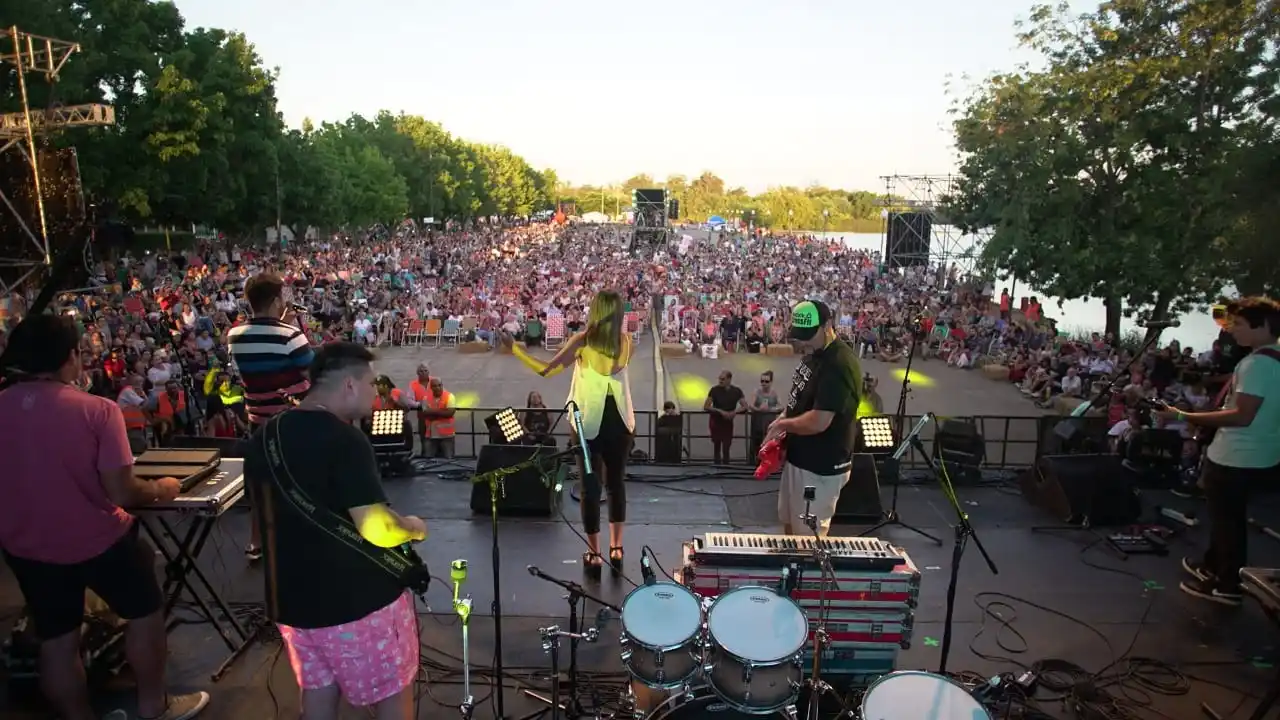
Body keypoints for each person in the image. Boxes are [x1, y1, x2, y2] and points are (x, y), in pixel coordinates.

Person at [0, 314, 210, 720]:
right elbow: (122, 492)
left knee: (57, 641)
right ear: (70, 357)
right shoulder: (97, 410)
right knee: (144, 615)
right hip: (99, 540)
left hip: (26, 547)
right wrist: (162, 487)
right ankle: (155, 707)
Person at [243, 342, 427, 720]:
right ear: (349, 385)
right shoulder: (346, 440)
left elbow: (260, 515)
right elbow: (376, 528)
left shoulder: (265, 436)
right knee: (392, 694)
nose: (375, 392)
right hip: (354, 604)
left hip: (292, 603)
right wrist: (413, 527)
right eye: (371, 384)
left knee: (318, 692)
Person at [501, 290, 635, 579]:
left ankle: (595, 554)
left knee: (590, 487)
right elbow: (612, 367)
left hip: (587, 423)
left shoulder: (582, 342)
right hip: (621, 422)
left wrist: (515, 350)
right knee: (616, 484)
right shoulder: (626, 342)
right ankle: (617, 549)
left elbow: (546, 371)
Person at [1160, 297, 1280, 605]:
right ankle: (1212, 565)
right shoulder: (1273, 360)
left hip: (1236, 455)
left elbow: (1242, 415)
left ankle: (1227, 585)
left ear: (1263, 326)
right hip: (1262, 454)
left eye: (1239, 324)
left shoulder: (1257, 364)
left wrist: (1183, 416)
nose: (1231, 330)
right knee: (1227, 518)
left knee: (1228, 522)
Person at [227, 272, 315, 563]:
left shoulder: (234, 335)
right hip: (291, 422)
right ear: (277, 300)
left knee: (262, 481)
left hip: (257, 421)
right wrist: (292, 328)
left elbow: (264, 362)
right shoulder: (290, 335)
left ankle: (256, 542)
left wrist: (283, 324)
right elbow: (312, 373)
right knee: (298, 483)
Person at [764, 300, 863, 537]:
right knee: (790, 523)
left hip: (820, 467)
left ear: (828, 325)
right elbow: (800, 400)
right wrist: (783, 422)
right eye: (800, 335)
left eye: (809, 335)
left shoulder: (839, 364)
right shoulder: (814, 354)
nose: (803, 341)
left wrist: (782, 425)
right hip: (800, 459)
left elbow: (819, 421)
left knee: (807, 538)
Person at [705, 370, 747, 464]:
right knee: (717, 445)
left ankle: (726, 464)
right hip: (716, 421)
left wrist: (734, 412)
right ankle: (717, 464)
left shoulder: (736, 391)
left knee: (726, 445)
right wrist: (720, 411)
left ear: (729, 379)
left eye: (723, 379)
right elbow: (706, 406)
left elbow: (744, 406)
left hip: (728, 422)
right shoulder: (714, 390)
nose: (720, 381)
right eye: (720, 379)